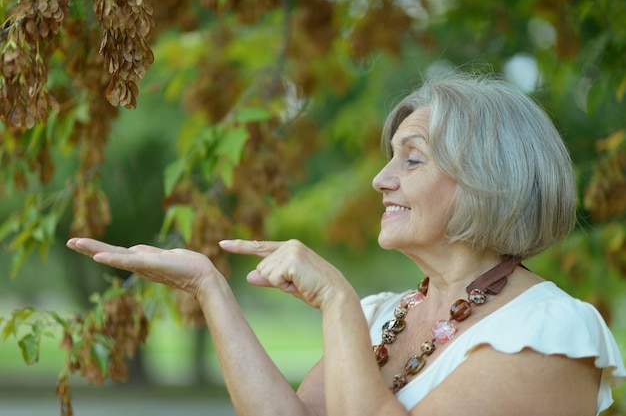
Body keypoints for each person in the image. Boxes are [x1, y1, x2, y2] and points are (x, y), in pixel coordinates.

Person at [67, 71, 625, 416]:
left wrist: (335, 300)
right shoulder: (384, 317)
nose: (382, 180)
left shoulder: (551, 333)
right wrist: (209, 288)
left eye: (412, 158)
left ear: (490, 177)